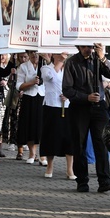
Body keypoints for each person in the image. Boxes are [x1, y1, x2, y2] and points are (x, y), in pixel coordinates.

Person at [63, 43, 110, 193]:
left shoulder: (98, 59)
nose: (89, 49)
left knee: (101, 142)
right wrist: (86, 97)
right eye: (86, 46)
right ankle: (82, 180)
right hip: (80, 108)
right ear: (79, 47)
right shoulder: (72, 62)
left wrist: (103, 58)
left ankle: (105, 180)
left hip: (99, 107)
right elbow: (67, 89)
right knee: (79, 144)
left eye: (91, 46)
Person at [39, 52, 75, 180]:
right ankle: (50, 165)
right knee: (51, 136)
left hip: (68, 106)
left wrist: (69, 95)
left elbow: (75, 85)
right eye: (58, 55)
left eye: (63, 55)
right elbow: (50, 77)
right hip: (52, 106)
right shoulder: (46, 68)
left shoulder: (70, 69)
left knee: (69, 137)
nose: (62, 56)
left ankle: (70, 168)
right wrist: (59, 62)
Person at [16, 50, 46, 164]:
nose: (35, 55)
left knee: (41, 126)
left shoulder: (44, 66)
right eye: (32, 53)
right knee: (30, 125)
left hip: (42, 97)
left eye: (37, 53)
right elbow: (19, 85)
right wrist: (31, 82)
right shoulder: (24, 67)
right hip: (29, 97)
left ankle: (42, 155)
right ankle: (32, 154)